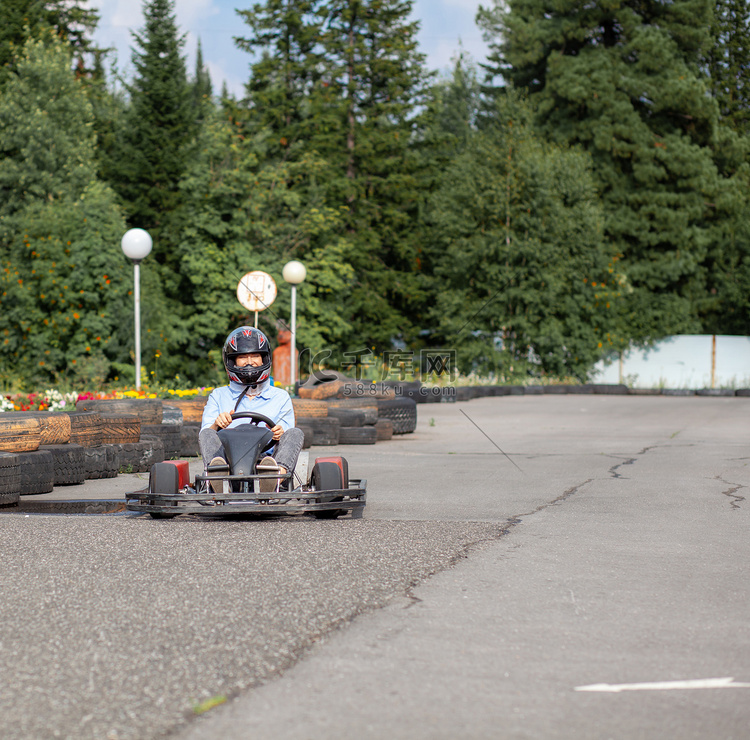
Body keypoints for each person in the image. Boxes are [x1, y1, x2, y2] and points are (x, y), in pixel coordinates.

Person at [199, 326, 304, 492]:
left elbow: (286, 433)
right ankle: (218, 476)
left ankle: (274, 479)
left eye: (255, 355)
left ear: (264, 359)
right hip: (227, 461)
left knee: (295, 433)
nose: (250, 361)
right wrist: (216, 424)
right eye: (242, 357)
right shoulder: (219, 395)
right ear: (232, 361)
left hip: (266, 461)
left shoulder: (280, 397)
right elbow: (206, 434)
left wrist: (279, 432)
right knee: (207, 433)